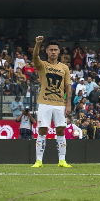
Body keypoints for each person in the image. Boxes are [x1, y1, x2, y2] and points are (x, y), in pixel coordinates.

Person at [32, 36, 73, 168]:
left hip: (60, 104)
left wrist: (68, 104)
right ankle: (39, 160)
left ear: (59, 51)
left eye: (56, 50)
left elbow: (68, 86)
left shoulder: (64, 68)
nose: (54, 52)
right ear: (47, 51)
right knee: (42, 130)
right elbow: (35, 57)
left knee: (60, 131)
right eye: (51, 50)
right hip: (44, 102)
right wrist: (37, 44)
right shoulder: (42, 65)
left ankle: (62, 160)